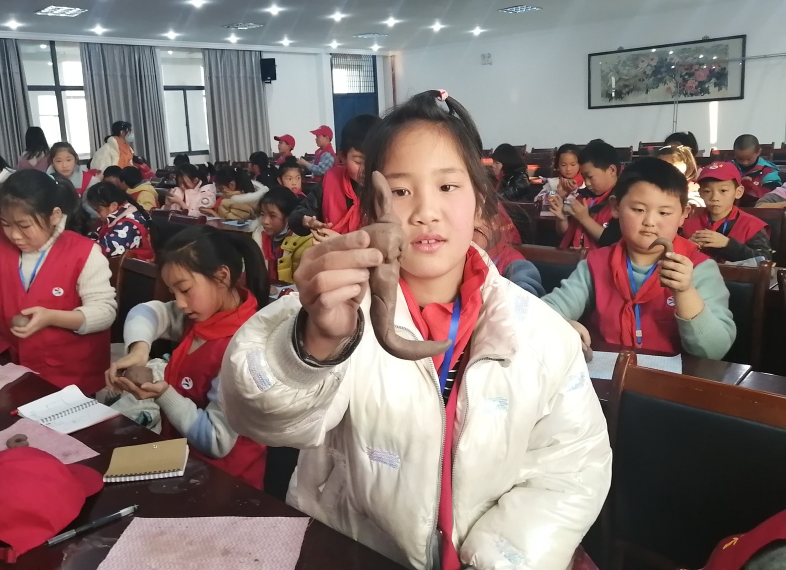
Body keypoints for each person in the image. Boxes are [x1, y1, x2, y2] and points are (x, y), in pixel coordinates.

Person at [219, 90, 611, 570]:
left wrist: (495, 561)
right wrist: (316, 344)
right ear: (371, 208)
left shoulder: (543, 337)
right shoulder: (334, 309)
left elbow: (572, 469)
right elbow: (255, 415)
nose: (426, 210)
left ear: (480, 202)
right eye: (401, 191)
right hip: (352, 554)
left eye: (447, 186)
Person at [105, 227, 269, 489]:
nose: (180, 303)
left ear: (222, 276)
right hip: (182, 464)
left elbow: (216, 440)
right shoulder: (203, 314)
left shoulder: (244, 350)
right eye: (173, 293)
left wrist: (164, 395)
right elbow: (146, 313)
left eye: (185, 289)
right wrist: (139, 349)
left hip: (225, 484)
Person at [543, 157, 736, 359]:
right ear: (615, 207)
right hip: (604, 375)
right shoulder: (595, 264)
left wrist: (685, 292)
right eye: (638, 210)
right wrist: (561, 325)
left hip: (670, 378)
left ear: (683, 214)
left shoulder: (700, 269)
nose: (650, 222)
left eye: (664, 212)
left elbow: (714, 351)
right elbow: (545, 311)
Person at [0, 170, 117, 395]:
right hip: (20, 367)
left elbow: (104, 312)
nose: (15, 235)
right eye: (6, 224)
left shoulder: (84, 253)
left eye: (24, 226)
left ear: (54, 216)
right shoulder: (2, 249)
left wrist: (52, 317)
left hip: (72, 376)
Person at [289, 114, 379, 241]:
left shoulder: (393, 187)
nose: (367, 170)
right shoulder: (330, 182)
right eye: (359, 162)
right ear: (342, 157)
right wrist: (305, 220)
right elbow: (297, 215)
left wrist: (342, 242)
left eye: (375, 161)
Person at [683, 162, 772, 263]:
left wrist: (727, 244)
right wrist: (688, 246)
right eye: (707, 191)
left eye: (723, 190)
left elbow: (765, 261)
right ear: (700, 193)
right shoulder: (688, 222)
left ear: (738, 192)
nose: (714, 198)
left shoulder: (752, 226)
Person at [551, 139, 620, 249]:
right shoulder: (582, 196)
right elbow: (566, 234)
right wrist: (561, 218)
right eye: (584, 177)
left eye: (590, 177)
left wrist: (584, 218)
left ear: (612, 170)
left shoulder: (622, 200)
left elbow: (612, 241)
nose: (587, 183)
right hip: (572, 255)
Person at [253, 186, 313, 283]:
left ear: (289, 217)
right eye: (262, 214)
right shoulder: (259, 237)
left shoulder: (304, 243)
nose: (265, 221)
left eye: (272, 215)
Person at [86, 182, 154, 260]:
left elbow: (104, 250)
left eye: (98, 211)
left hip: (135, 267)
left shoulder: (129, 226)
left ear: (113, 206)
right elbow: (94, 233)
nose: (97, 215)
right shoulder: (112, 216)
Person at [203, 167, 268, 221]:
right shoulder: (233, 197)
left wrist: (212, 213)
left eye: (221, 188)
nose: (220, 191)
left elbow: (232, 225)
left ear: (231, 184)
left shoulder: (241, 201)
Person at [534, 143, 583, 211]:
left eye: (573, 165)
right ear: (557, 165)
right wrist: (558, 194)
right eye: (563, 165)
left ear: (580, 164)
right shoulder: (552, 184)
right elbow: (537, 202)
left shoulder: (586, 184)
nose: (568, 169)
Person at [732, 134, 782, 200]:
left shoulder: (768, 170)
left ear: (758, 152)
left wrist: (751, 185)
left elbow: (773, 195)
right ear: (735, 153)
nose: (744, 162)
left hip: (758, 204)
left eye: (749, 159)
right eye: (740, 159)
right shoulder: (728, 167)